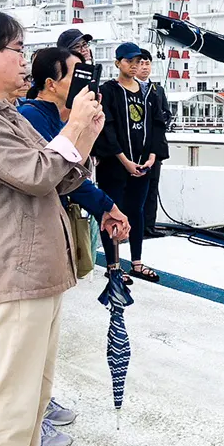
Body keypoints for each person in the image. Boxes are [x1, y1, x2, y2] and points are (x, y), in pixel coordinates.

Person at [0, 10, 107, 446]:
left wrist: (85, 136)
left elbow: (61, 176)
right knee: (10, 407)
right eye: (17, 50)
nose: (24, 61)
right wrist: (74, 127)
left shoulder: (8, 114)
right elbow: (37, 174)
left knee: (34, 400)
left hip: (39, 272)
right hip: (14, 273)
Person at [18, 47, 130, 446]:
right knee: (26, 341)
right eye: (75, 77)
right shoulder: (32, 117)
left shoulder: (60, 119)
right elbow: (52, 174)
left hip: (53, 230)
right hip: (26, 241)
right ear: (51, 83)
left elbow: (73, 173)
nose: (85, 85)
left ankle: (41, 404)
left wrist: (107, 205)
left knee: (45, 336)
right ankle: (29, 420)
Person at [93, 43, 160, 283]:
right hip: (115, 166)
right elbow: (107, 128)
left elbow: (157, 125)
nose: (134, 66)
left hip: (143, 165)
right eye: (129, 61)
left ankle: (137, 263)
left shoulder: (148, 92)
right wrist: (124, 160)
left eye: (138, 61)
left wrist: (152, 157)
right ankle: (113, 265)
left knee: (136, 212)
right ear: (117, 63)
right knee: (112, 213)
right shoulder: (109, 91)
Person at [135, 51, 172, 240]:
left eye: (147, 63)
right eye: (140, 63)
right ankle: (134, 226)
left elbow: (167, 114)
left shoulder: (158, 90)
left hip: (155, 148)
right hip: (134, 148)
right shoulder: (128, 90)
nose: (144, 67)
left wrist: (158, 121)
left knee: (152, 187)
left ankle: (149, 225)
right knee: (133, 189)